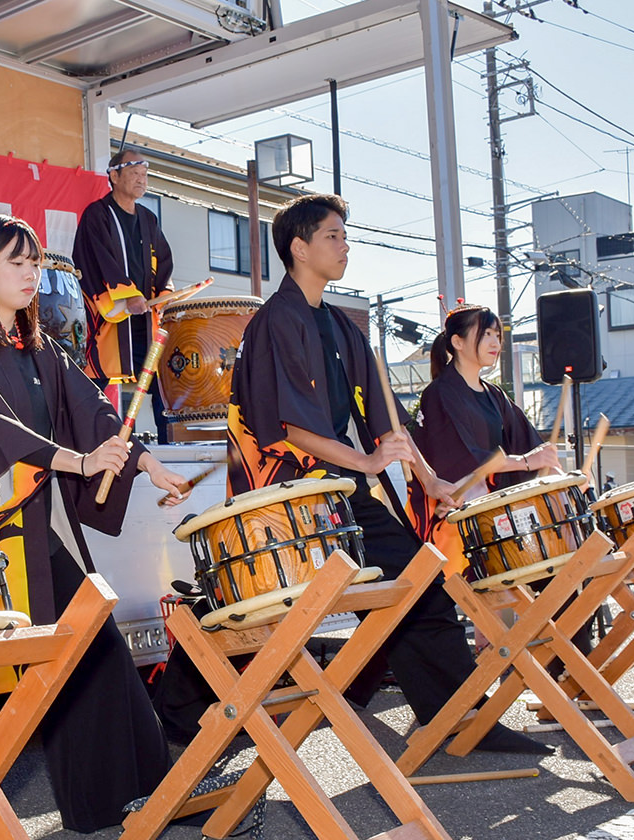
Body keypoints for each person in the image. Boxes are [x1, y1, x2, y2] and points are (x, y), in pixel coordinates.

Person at [223, 194, 549, 753]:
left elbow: (387, 426)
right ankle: (185, 713)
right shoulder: (275, 320)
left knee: (417, 581)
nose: (345, 245)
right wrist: (370, 465)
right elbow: (287, 428)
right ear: (299, 247)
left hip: (334, 486)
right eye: (333, 235)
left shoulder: (342, 327)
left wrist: (431, 481)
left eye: (344, 235)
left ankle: (461, 720)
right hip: (281, 493)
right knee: (241, 616)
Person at [0, 214, 191, 831]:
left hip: (40, 524)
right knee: (74, 660)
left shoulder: (38, 344)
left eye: (35, 262)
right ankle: (117, 801)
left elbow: (92, 407)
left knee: (86, 657)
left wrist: (147, 462)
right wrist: (78, 459)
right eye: (16, 262)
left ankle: (130, 797)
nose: (30, 274)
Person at [408, 304, 561, 575]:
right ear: (457, 342)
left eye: (497, 335)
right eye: (486, 334)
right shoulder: (440, 393)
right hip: (451, 517)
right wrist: (525, 461)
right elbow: (461, 457)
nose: (496, 342)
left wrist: (551, 468)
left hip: (490, 516)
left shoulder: (495, 394)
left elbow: (528, 445)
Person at [72, 147, 173, 442]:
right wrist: (125, 295)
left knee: (157, 378)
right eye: (134, 173)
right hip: (111, 314)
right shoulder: (97, 214)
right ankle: (89, 440)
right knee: (96, 376)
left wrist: (162, 292)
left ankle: (168, 440)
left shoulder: (149, 219)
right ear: (114, 176)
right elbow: (97, 259)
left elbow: (162, 261)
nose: (142, 180)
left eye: (144, 175)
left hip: (144, 315)